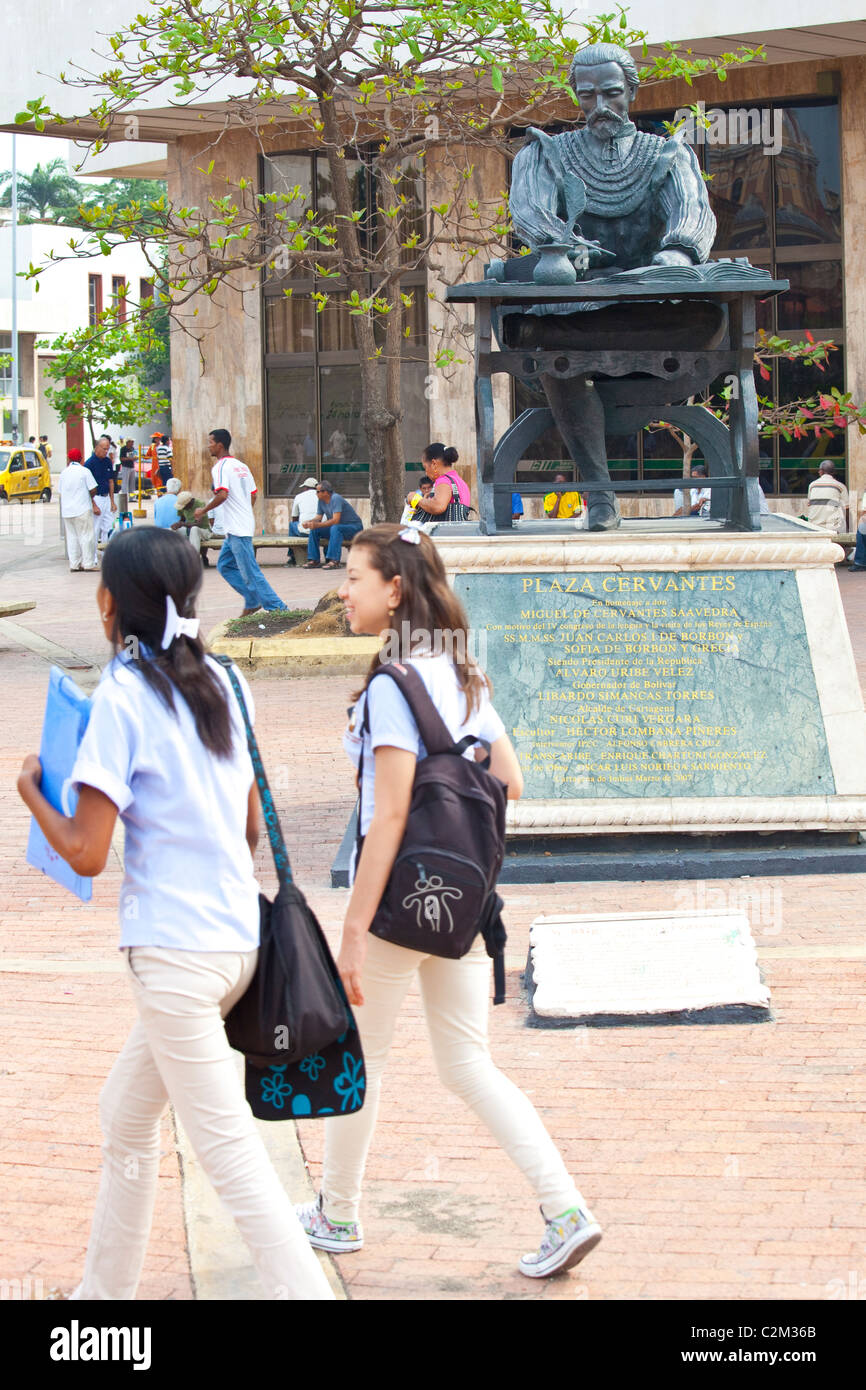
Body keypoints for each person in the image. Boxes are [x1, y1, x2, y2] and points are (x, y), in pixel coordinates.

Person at [16, 528, 334, 1301]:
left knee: (227, 1153)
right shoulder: (227, 681)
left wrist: (30, 790)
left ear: (106, 606)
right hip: (237, 941)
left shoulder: (121, 699)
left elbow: (88, 853)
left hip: (176, 956)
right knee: (124, 1117)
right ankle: (101, 1299)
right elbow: (251, 826)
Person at [294, 524, 602, 1279]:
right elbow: (512, 783)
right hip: (465, 905)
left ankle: (338, 1212)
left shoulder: (394, 685)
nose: (342, 591)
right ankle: (565, 1209)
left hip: (400, 907)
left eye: (353, 578)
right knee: (468, 1063)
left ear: (394, 588)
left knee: (358, 1057)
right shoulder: (461, 673)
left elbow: (389, 816)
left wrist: (355, 927)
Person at [195, 428, 285, 615]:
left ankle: (278, 608)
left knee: (250, 572)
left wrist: (203, 510)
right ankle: (252, 600)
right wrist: (243, 513)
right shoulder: (241, 466)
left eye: (210, 442)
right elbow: (253, 495)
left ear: (219, 445)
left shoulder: (220, 467)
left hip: (237, 528)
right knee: (225, 565)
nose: (208, 446)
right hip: (238, 526)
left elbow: (222, 494)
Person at [303, 481, 364, 569]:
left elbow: (335, 520)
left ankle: (334, 560)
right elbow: (318, 517)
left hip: (354, 528)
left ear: (325, 492)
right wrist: (309, 522)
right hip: (338, 528)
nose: (316, 493)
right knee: (314, 529)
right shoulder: (321, 501)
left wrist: (317, 524)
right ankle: (314, 560)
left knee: (335, 527)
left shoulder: (336, 498)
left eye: (317, 491)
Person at [58, 448, 99, 571]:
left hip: (67, 511)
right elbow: (93, 489)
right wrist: (88, 497)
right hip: (82, 509)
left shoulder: (63, 473)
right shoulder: (84, 471)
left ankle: (74, 565)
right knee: (86, 536)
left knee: (72, 538)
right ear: (81, 459)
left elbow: (60, 491)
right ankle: (88, 564)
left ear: (69, 459)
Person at [412, 443, 473, 523]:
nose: (426, 473)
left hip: (445, 534)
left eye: (425, 467)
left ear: (434, 464)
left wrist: (415, 499)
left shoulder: (443, 481)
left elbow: (438, 506)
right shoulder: (459, 481)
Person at [84, 436, 117, 545]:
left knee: (109, 527)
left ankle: (106, 552)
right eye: (104, 449)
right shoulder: (89, 464)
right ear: (97, 448)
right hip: (96, 497)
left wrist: (112, 501)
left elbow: (111, 481)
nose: (106, 451)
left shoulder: (107, 461)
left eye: (108, 449)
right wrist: (93, 505)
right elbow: (86, 487)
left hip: (106, 497)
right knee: (95, 528)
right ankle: (92, 557)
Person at [285, 476, 320, 567]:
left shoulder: (299, 497)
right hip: (321, 531)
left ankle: (292, 557)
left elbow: (294, 517)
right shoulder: (322, 495)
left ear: (306, 488)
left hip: (304, 531)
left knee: (292, 525)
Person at [806, 461, 848, 535]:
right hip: (833, 528)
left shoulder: (812, 485)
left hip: (814, 526)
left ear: (821, 471)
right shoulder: (840, 486)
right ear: (834, 472)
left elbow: (809, 504)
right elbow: (847, 508)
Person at [172, 488, 213, 562]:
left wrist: (183, 524)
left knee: (194, 529)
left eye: (184, 506)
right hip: (189, 530)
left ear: (189, 503)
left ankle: (194, 559)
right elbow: (182, 520)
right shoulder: (182, 507)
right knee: (172, 531)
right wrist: (177, 525)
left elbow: (198, 523)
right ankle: (175, 557)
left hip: (204, 531)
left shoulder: (200, 504)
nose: (183, 508)